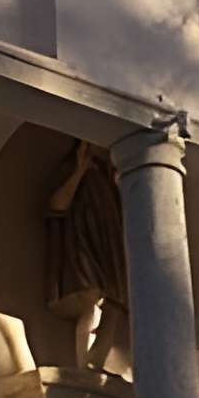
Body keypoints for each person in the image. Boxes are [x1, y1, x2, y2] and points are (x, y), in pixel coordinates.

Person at [44, 142, 126, 371]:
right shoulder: (75, 171)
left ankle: (96, 367)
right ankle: (84, 367)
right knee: (92, 304)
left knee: (112, 310)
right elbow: (56, 204)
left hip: (107, 257)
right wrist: (80, 169)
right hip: (80, 251)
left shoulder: (109, 182)